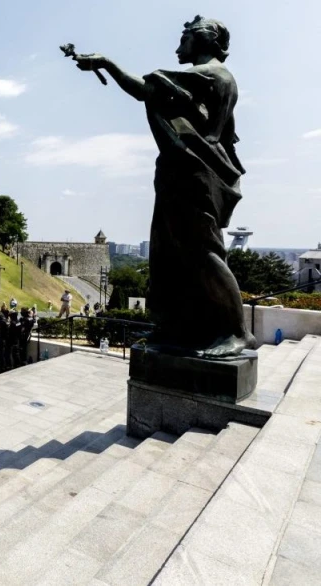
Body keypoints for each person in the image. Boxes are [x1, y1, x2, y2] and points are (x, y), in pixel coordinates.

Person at [73, 16, 253, 357]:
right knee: (171, 256)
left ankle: (238, 332)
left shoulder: (213, 75)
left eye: (183, 40)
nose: (177, 47)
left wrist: (106, 63)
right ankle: (181, 327)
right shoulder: (201, 80)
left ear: (202, 39)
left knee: (203, 253)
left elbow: (146, 88)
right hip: (178, 174)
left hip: (195, 176)